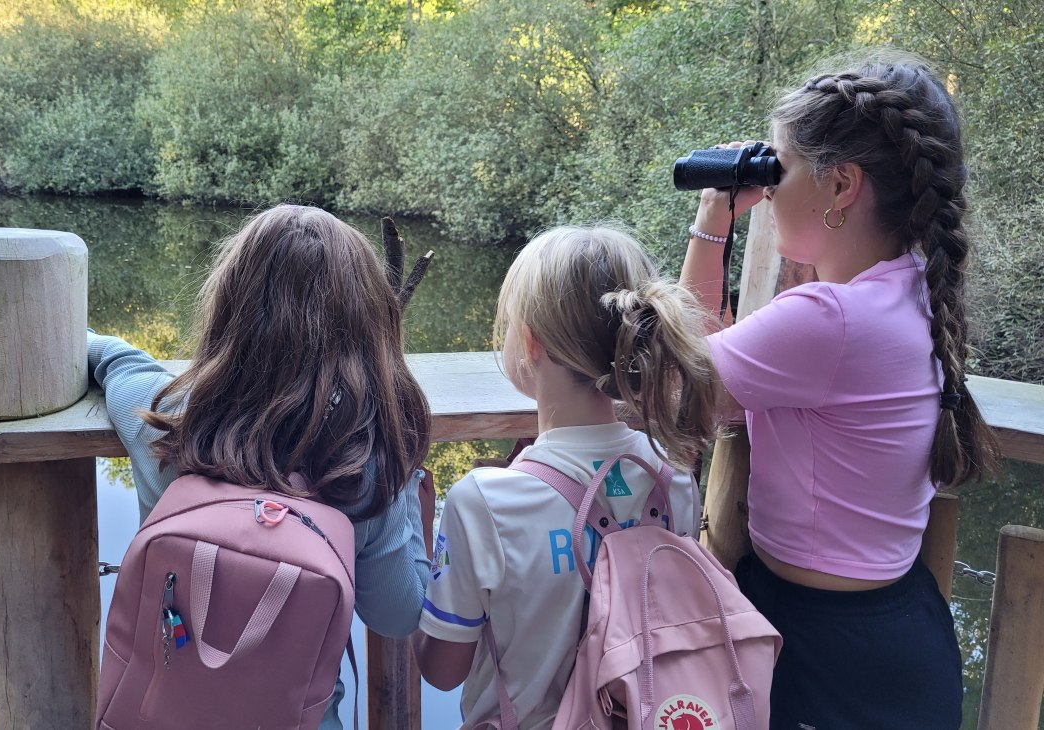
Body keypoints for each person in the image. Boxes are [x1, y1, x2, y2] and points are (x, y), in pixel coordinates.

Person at [680, 52, 1001, 729]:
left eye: (782, 168)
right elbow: (723, 372)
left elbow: (685, 386)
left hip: (816, 648)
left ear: (841, 185)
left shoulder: (829, 321)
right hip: (902, 630)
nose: (768, 187)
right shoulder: (913, 287)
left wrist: (713, 216)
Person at [87, 204, 433, 729]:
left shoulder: (168, 422)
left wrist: (88, 341)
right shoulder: (365, 454)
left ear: (228, 308)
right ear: (367, 325)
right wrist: (404, 470)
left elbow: (116, 360)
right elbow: (397, 613)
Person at [413, 225, 717, 728]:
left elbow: (442, 671)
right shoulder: (673, 475)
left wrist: (421, 546)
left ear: (530, 342)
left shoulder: (484, 502)